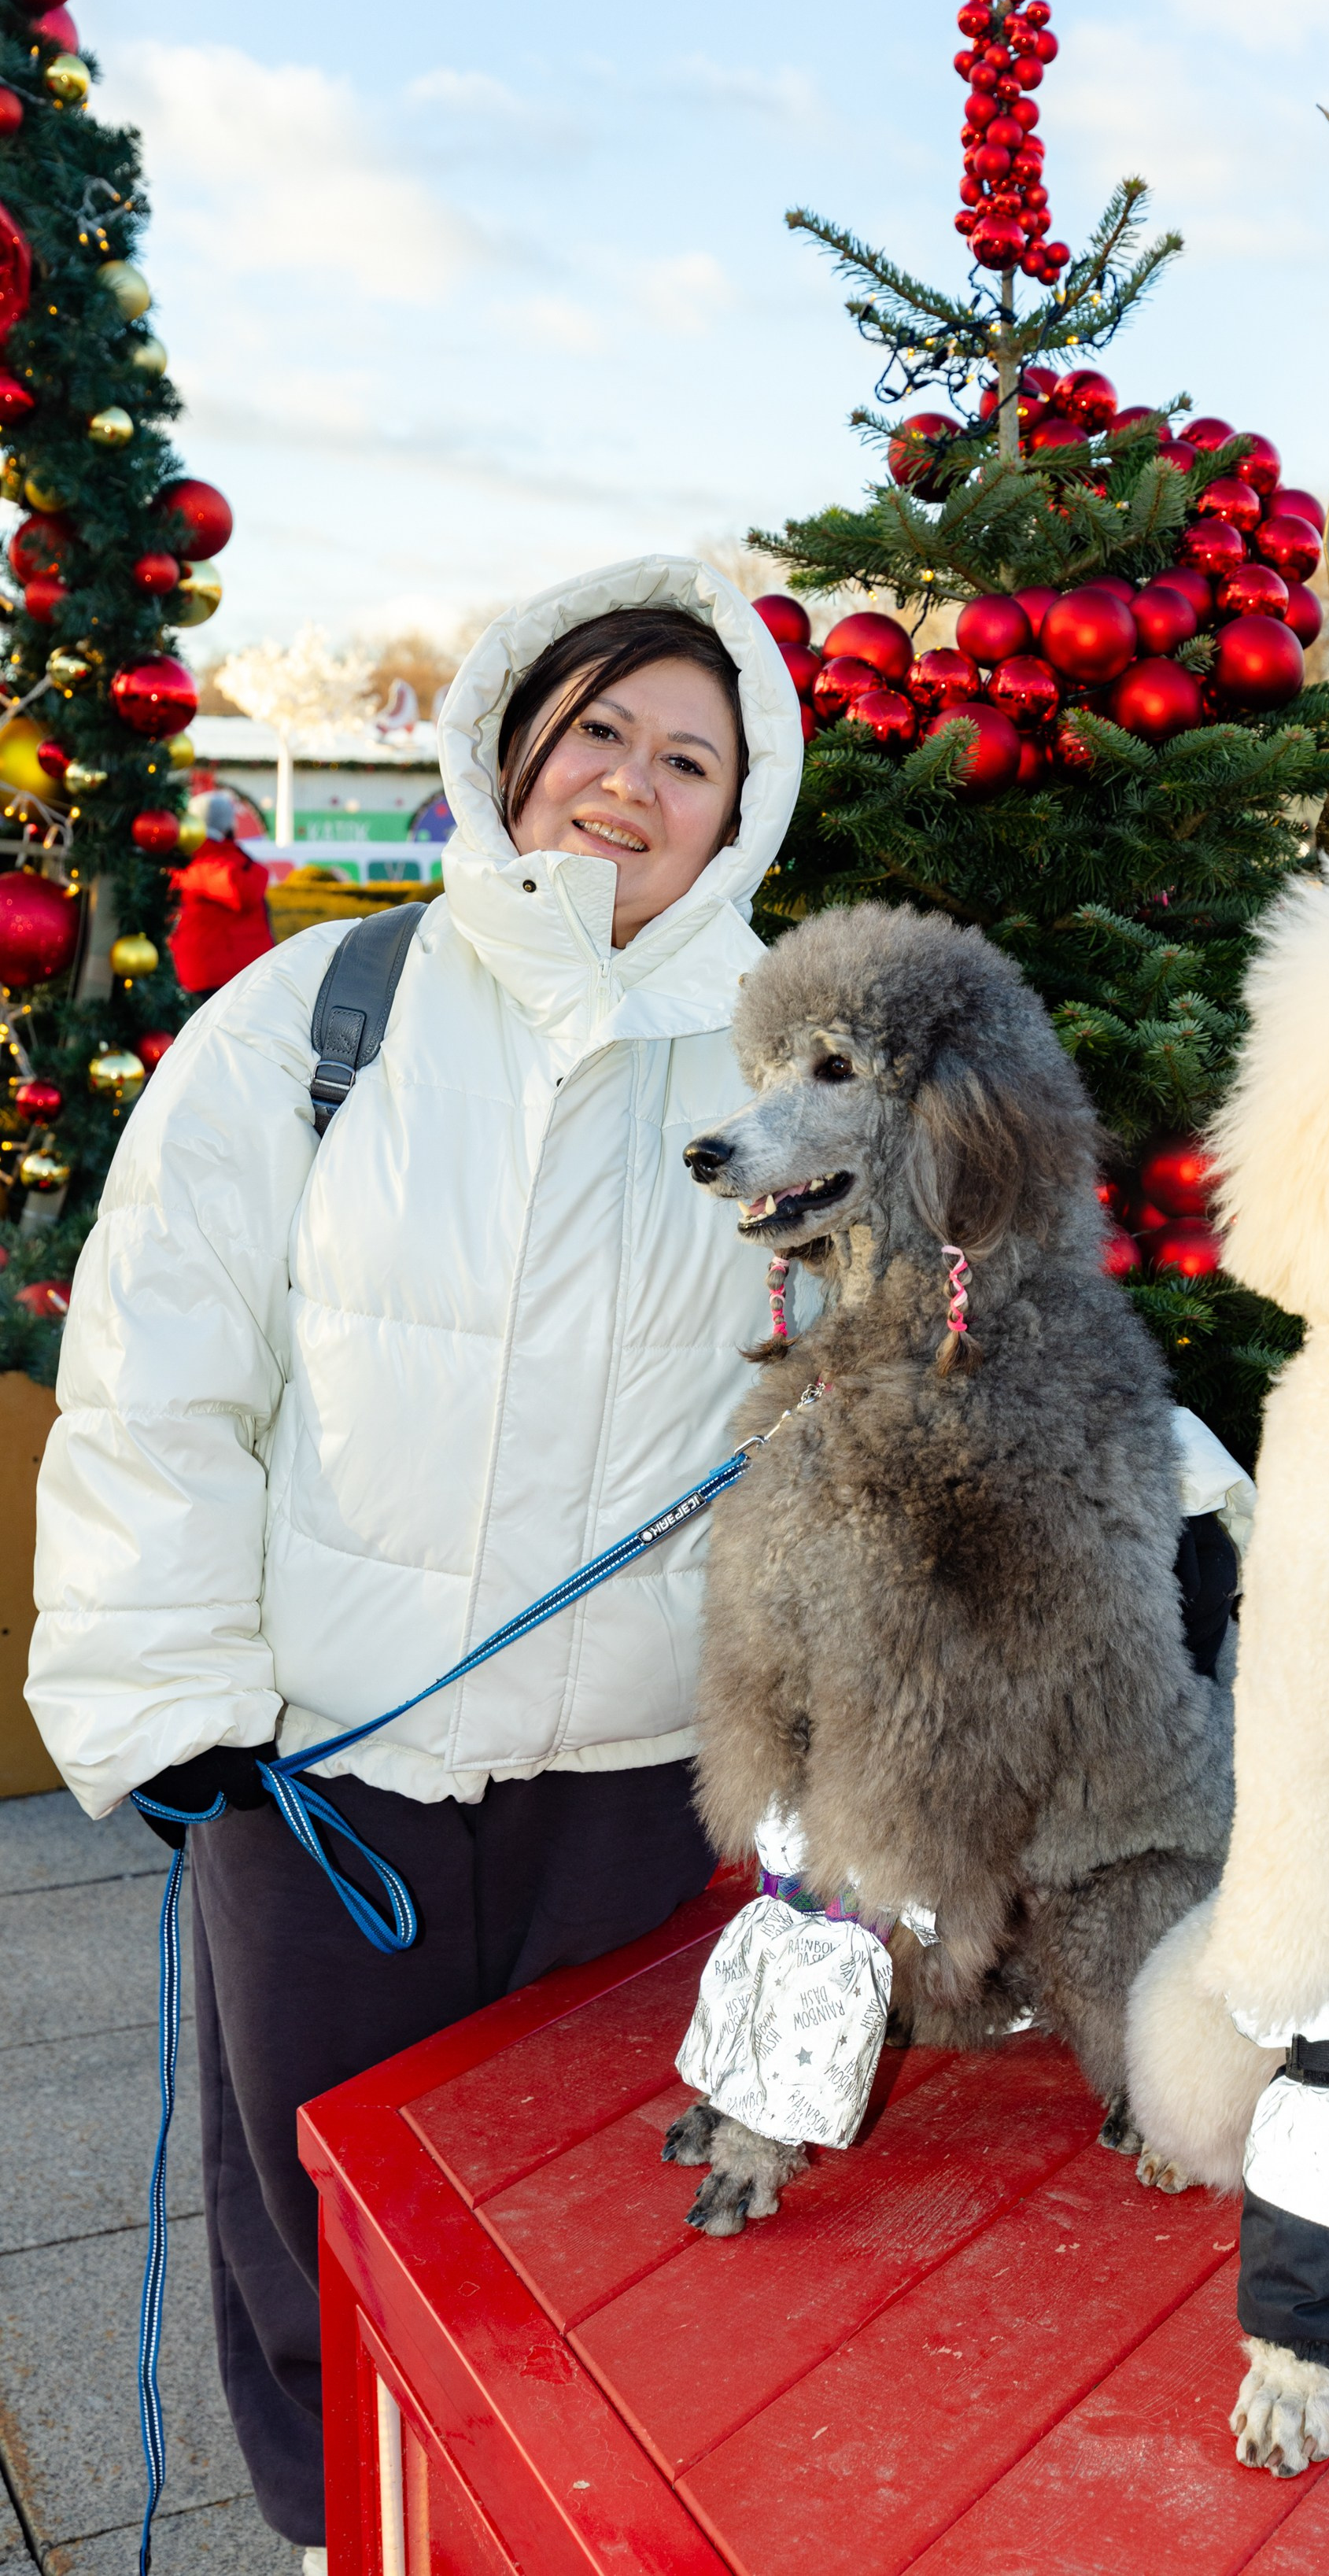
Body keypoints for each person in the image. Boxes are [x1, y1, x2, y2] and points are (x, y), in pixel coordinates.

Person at [27, 559, 805, 2567]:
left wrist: (1171, 1509)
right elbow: (160, 1376)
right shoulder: (317, 1019)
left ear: (748, 802)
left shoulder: (796, 1080)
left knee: (603, 2232)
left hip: (643, 1791)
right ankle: (331, 2541)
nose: (630, 787)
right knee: (309, 2228)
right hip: (323, 1778)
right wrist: (164, 1696)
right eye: (598, 733)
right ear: (509, 744)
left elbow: (944, 1355)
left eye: (688, 756)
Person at [168, 788, 275, 994]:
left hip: (201, 977)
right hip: (250, 975)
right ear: (229, 825)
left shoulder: (191, 863)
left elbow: (232, 886)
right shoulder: (238, 863)